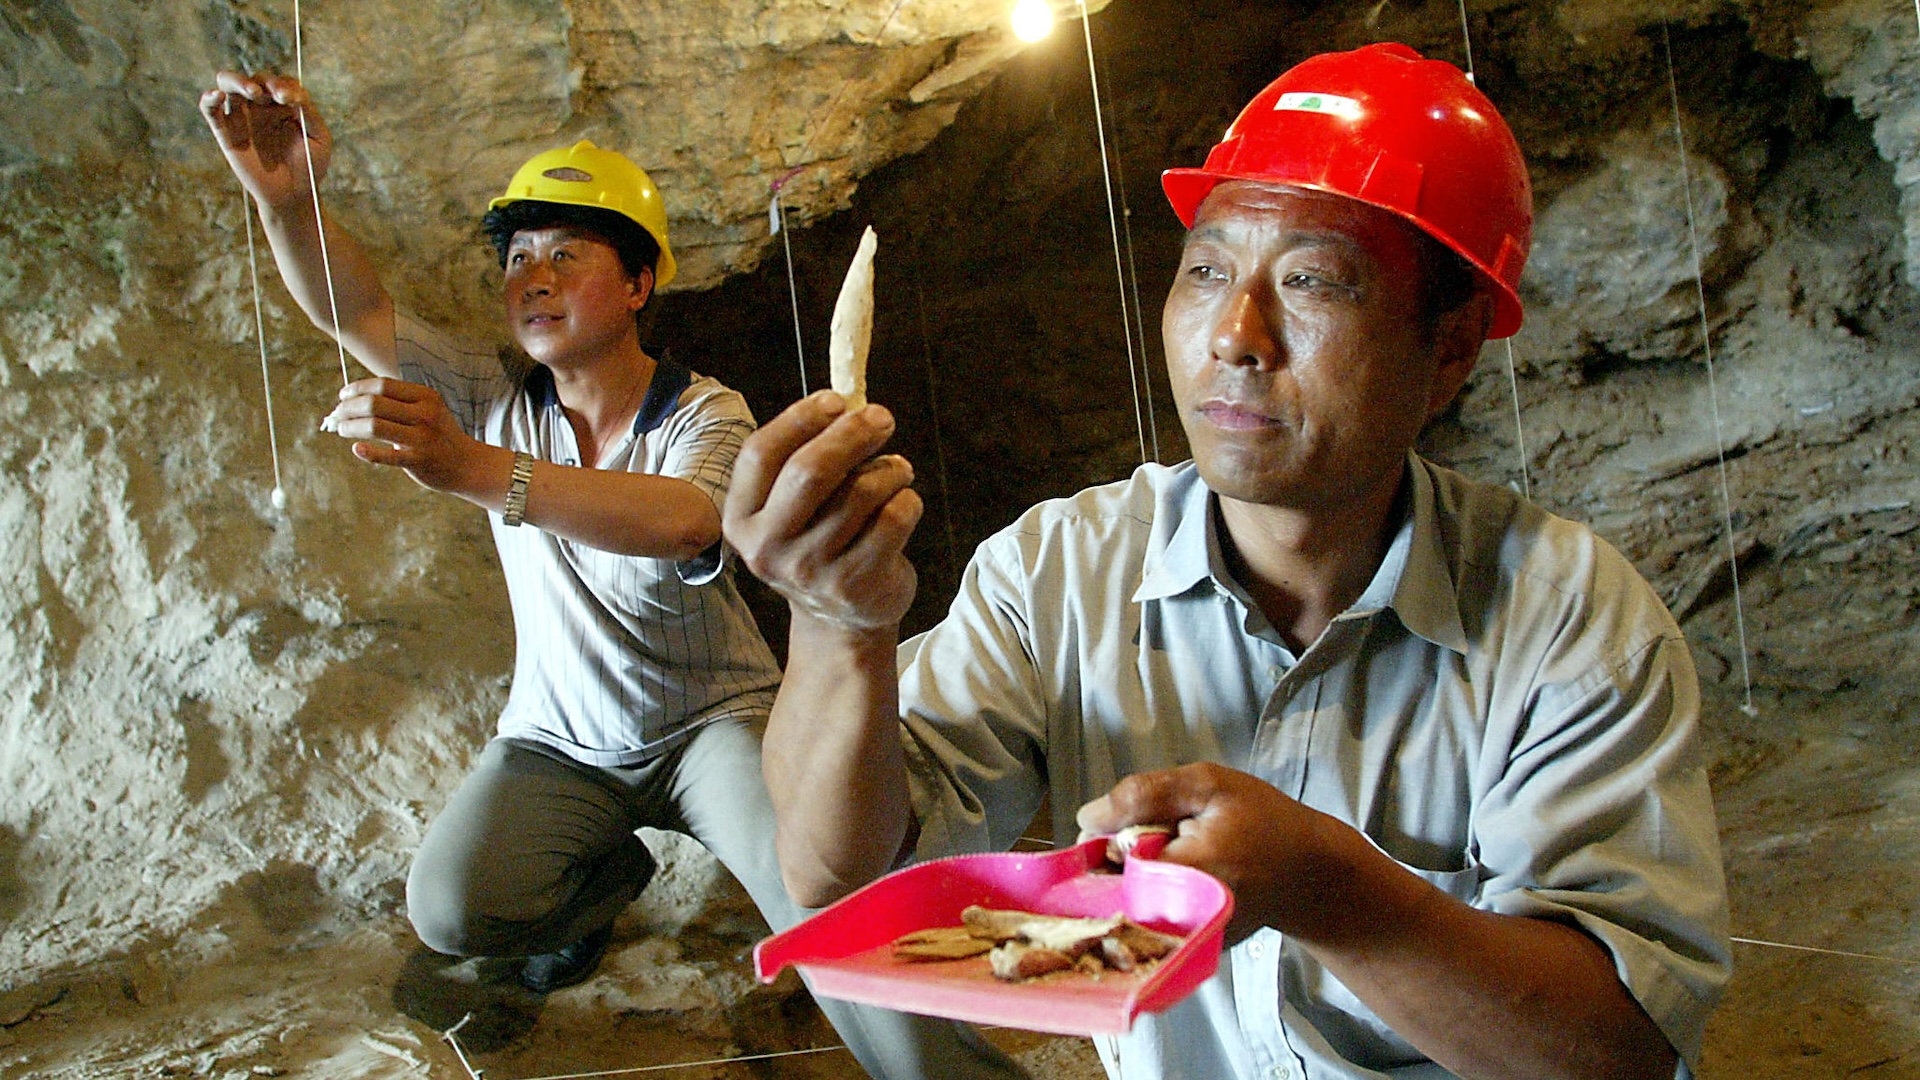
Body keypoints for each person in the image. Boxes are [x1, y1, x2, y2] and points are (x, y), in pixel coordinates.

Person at [724, 43, 1732, 1080]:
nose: (1236, 335)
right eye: (1206, 271)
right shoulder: (1059, 572)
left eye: (1311, 281)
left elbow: (1619, 1056)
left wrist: (1334, 891)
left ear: (1453, 347)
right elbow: (826, 862)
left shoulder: (1569, 621)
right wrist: (838, 620)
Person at [199, 72, 1028, 1079]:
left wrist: (471, 471)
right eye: (516, 260)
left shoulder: (701, 412)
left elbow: (685, 519)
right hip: (562, 738)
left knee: (832, 906)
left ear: (639, 284)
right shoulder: (493, 397)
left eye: (565, 254)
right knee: (452, 903)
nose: (532, 278)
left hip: (714, 724)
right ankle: (596, 890)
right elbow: (359, 310)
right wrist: (287, 201)